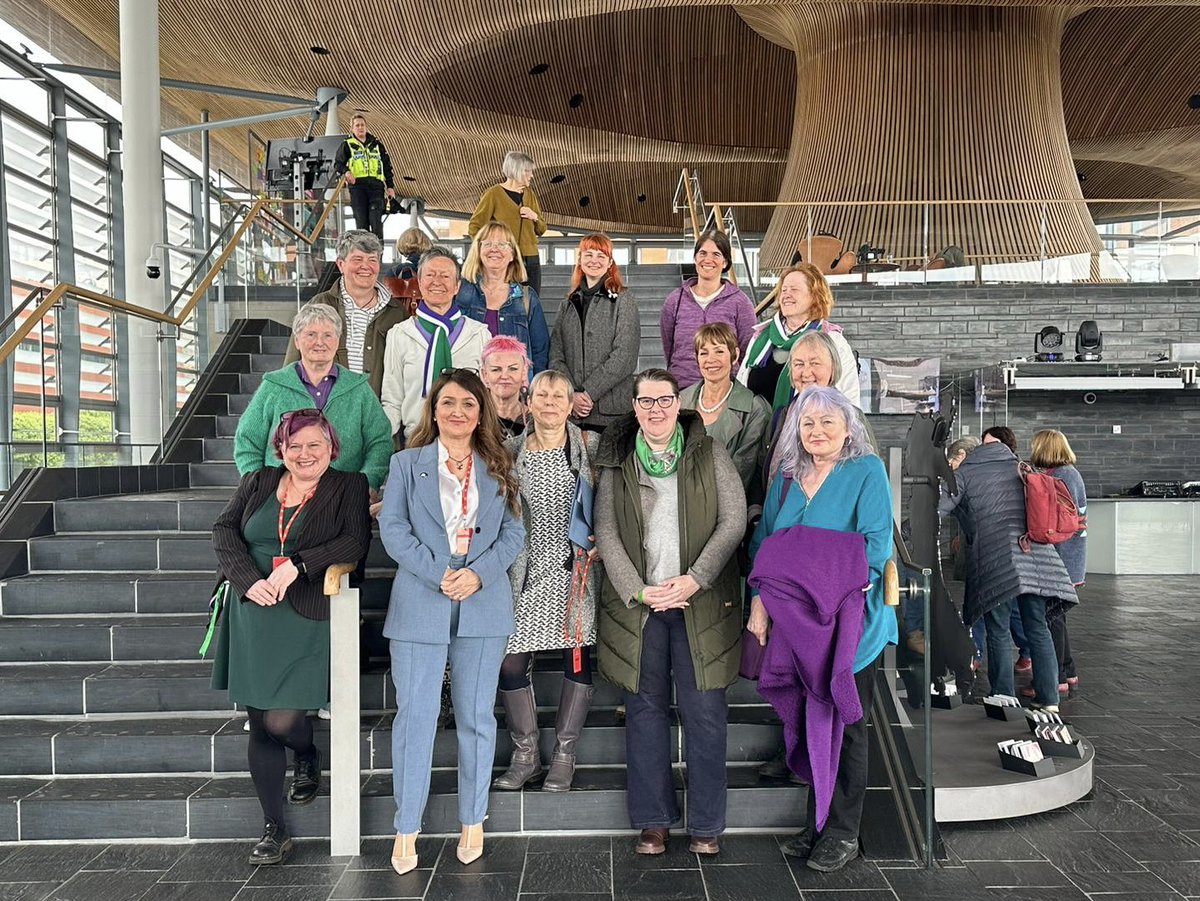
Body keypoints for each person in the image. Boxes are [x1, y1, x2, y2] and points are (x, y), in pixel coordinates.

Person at [595, 369, 746, 857]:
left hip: (700, 606)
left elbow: (734, 521)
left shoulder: (710, 454)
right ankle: (654, 820)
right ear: (634, 407)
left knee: (705, 713)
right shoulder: (616, 461)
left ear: (678, 405)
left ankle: (706, 823)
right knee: (643, 712)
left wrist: (696, 578)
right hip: (641, 609)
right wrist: (639, 591)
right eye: (646, 401)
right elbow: (607, 532)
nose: (655, 409)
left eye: (664, 400)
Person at [379, 370, 525, 875]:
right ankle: (406, 826)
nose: (457, 412)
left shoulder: (500, 464)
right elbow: (393, 529)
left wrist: (478, 575)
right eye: (447, 403)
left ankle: (472, 818)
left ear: (481, 412)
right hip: (422, 598)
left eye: (467, 403)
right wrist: (439, 572)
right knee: (414, 718)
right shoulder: (405, 464)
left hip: (483, 603)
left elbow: (512, 535)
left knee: (477, 718)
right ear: (432, 410)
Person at [211, 410, 371, 865]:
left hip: (305, 610)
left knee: (281, 721)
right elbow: (225, 530)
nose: (305, 454)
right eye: (294, 445)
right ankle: (273, 828)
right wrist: (246, 580)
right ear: (281, 449)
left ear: (331, 448)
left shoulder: (348, 486)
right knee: (259, 719)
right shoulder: (259, 481)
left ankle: (306, 750)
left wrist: (299, 565)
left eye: (315, 445)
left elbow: (354, 544)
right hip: (252, 610)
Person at [747, 386, 895, 873]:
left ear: (847, 427)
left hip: (851, 623)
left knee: (848, 727)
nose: (817, 432)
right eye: (808, 423)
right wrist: (761, 604)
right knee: (812, 723)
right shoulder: (787, 480)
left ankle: (843, 831)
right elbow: (765, 550)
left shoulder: (866, 471)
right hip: (798, 628)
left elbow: (874, 547)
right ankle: (816, 822)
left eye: (828, 422)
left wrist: (806, 567)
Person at [494, 369, 601, 793]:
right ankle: (525, 756)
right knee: (510, 660)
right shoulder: (507, 451)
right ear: (529, 401)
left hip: (574, 570)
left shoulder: (589, 447)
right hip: (523, 570)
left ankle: (564, 755)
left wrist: (601, 538)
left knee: (577, 657)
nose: (551, 402)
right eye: (543, 394)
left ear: (572, 402)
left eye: (560, 395)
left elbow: (606, 502)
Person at [938, 426, 1078, 714]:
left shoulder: (965, 473)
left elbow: (937, 510)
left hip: (995, 560)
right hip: (1037, 557)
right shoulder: (1023, 468)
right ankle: (1049, 698)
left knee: (998, 629)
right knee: (1037, 627)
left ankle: (1003, 695)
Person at [235, 303, 393, 491]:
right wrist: (259, 486)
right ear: (297, 341)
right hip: (283, 495)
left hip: (344, 495)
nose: (320, 342)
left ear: (338, 341)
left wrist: (366, 484)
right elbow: (247, 441)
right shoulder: (273, 387)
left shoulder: (358, 389)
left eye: (328, 335)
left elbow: (380, 442)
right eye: (311, 335)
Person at [380, 248, 490, 443]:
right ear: (420, 283)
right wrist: (380, 441)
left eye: (445, 276)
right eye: (430, 275)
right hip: (417, 440)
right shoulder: (400, 334)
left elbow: (487, 395)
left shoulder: (479, 334)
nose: (437, 281)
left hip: (467, 441)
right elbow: (392, 398)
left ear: (457, 286)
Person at [285, 231, 410, 397]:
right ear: (340, 264)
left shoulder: (397, 313)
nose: (365, 266)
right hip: (325, 415)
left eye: (372, 260)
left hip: (378, 415)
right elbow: (292, 368)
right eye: (357, 259)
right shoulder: (319, 306)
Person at [549, 233, 641, 433]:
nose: (594, 261)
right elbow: (556, 355)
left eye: (601, 256)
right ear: (580, 261)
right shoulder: (567, 304)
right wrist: (571, 394)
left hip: (610, 413)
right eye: (588, 254)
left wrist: (589, 392)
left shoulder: (623, 300)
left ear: (610, 263)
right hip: (572, 414)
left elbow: (625, 356)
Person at [738, 263, 858, 413]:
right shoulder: (761, 338)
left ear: (815, 296)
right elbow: (741, 387)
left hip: (808, 432)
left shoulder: (832, 340)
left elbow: (849, 398)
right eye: (783, 290)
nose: (786, 295)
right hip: (757, 433)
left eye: (794, 289)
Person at [678, 322, 770, 497]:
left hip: (727, 503)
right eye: (704, 353)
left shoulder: (754, 408)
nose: (711, 359)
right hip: (679, 498)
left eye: (719, 351)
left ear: (734, 356)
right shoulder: (680, 402)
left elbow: (742, 470)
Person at [1029, 429, 1087, 696]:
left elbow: (1056, 523)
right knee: (1057, 617)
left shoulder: (1058, 477)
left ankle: (1057, 678)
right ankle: (1069, 670)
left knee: (1050, 618)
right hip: (1072, 557)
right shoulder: (1071, 474)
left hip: (1060, 559)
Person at [660, 230, 757, 389]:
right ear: (695, 258)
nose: (708, 259)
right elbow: (669, 349)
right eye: (702, 253)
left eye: (716, 254)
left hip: (725, 391)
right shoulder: (674, 300)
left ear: (725, 262)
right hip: (682, 389)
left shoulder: (741, 303)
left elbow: (748, 353)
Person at [763, 329, 853, 487]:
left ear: (833, 367)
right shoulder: (780, 416)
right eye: (798, 364)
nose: (806, 372)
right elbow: (761, 466)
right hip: (779, 509)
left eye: (815, 363)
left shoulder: (850, 416)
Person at [458, 221, 550, 374]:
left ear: (512, 254)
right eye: (487, 243)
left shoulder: (527, 298)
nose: (494, 249)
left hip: (514, 391)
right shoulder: (462, 293)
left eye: (502, 244)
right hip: (471, 388)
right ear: (478, 251)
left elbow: (540, 351)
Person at [467, 151, 546, 295]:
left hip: (531, 258)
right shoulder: (493, 194)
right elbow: (475, 227)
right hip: (506, 259)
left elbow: (541, 229)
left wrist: (534, 216)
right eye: (528, 171)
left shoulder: (530, 194)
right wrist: (491, 248)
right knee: (507, 301)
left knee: (532, 301)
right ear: (517, 170)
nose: (531, 175)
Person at [333, 114, 395, 240]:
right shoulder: (347, 145)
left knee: (376, 222)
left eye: (362, 125)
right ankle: (364, 253)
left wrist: (390, 186)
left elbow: (387, 166)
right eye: (357, 125)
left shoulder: (377, 145)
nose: (360, 128)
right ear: (352, 128)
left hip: (376, 186)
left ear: (366, 127)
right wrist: (346, 172)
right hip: (358, 187)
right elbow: (338, 164)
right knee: (362, 224)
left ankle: (378, 256)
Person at [480, 335, 530, 438]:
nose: (504, 376)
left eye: (513, 369)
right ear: (484, 374)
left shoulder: (536, 419)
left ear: (524, 372)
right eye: (496, 369)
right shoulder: (474, 417)